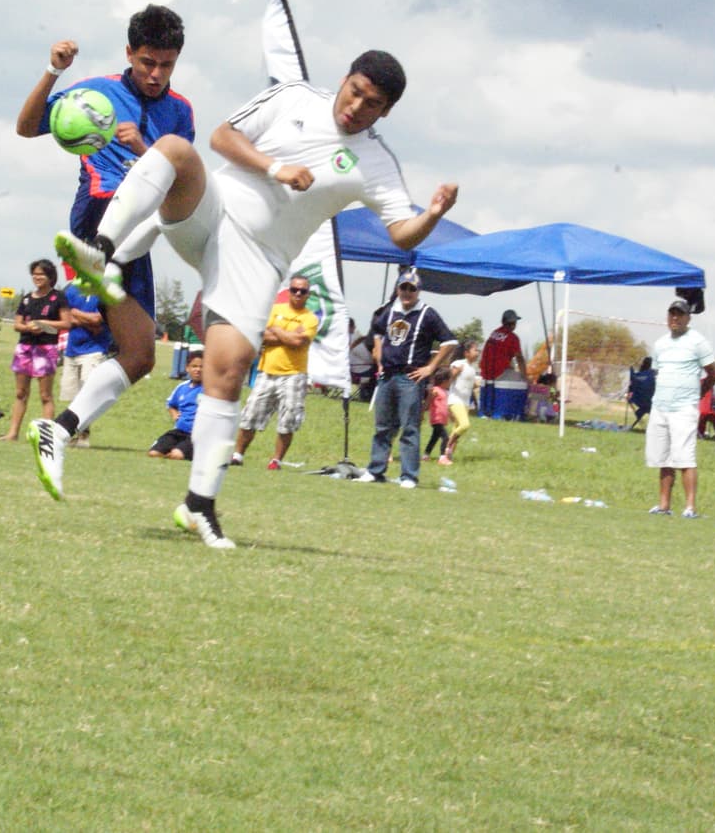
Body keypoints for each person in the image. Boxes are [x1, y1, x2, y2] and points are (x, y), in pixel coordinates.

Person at [31, 48, 459, 549]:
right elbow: (221, 137)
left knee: (228, 372)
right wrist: (276, 167)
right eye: (355, 91)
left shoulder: (377, 163)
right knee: (175, 149)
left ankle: (197, 505)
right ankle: (102, 251)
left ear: (385, 111)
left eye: (372, 103)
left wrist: (430, 214)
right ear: (344, 79)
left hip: (257, 262)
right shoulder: (295, 97)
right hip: (211, 213)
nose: (356, 106)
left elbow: (401, 234)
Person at [16, 5, 193, 458]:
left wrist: (145, 149)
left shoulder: (179, 112)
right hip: (100, 214)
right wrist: (53, 71)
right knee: (137, 343)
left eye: (166, 65)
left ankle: (58, 430)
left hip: (141, 226)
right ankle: (93, 257)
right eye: (147, 62)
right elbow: (26, 127)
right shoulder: (97, 92)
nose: (155, 74)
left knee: (140, 354)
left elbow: (179, 180)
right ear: (130, 53)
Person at [356, 270, 458, 488]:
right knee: (383, 426)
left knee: (410, 427)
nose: (407, 292)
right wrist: (378, 355)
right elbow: (376, 331)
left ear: (418, 291)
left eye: (412, 289)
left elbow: (449, 342)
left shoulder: (427, 313)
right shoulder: (390, 311)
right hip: (387, 376)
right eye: (404, 287)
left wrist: (430, 367)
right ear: (398, 288)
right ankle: (375, 470)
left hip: (410, 377)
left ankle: (409, 476)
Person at [230, 274, 318, 470]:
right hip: (267, 371)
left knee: (288, 419)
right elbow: (261, 335)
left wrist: (276, 330)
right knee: (250, 414)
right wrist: (285, 334)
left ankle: (276, 460)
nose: (297, 294)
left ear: (307, 295)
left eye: (302, 291)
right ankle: (237, 454)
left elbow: (298, 342)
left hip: (294, 374)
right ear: (289, 291)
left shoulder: (310, 318)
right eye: (294, 289)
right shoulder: (275, 310)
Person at [646, 298, 715, 518]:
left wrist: (698, 393)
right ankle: (664, 505)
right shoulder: (660, 344)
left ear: (688, 318)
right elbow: (658, 372)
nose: (675, 318)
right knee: (664, 457)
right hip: (660, 406)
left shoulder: (697, 341)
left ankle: (690, 507)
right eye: (672, 314)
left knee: (685, 457)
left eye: (679, 314)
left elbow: (712, 373)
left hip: (684, 408)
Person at [0, 259, 70, 441]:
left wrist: (44, 324)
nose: (38, 277)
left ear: (50, 276)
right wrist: (27, 327)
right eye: (35, 274)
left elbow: (66, 323)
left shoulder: (58, 297)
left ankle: (46, 437)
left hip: (46, 349)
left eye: (42, 274)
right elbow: (17, 324)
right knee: (20, 393)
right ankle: (13, 433)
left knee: (45, 395)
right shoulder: (26, 299)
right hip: (25, 347)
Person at [57, 280, 110, 447]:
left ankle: (84, 435)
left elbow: (98, 320)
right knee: (72, 396)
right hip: (72, 350)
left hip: (94, 350)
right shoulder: (72, 289)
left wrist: (75, 313)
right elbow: (64, 317)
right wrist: (85, 319)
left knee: (87, 393)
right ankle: (73, 433)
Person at [148, 349, 203, 460]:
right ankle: (172, 449)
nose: (198, 370)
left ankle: (181, 451)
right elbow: (170, 403)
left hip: (196, 436)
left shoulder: (210, 389)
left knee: (177, 455)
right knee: (153, 453)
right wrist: (174, 413)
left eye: (202, 367)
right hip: (178, 431)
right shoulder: (182, 387)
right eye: (194, 366)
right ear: (187, 368)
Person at [479, 309, 526, 417]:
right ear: (513, 323)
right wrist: (525, 377)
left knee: (512, 371)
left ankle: (486, 411)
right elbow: (520, 358)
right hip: (499, 373)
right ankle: (515, 412)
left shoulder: (494, 333)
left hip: (486, 373)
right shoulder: (513, 337)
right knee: (522, 381)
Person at [443, 341, 479, 462]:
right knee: (465, 425)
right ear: (466, 353)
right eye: (475, 350)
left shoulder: (472, 369)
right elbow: (449, 379)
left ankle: (447, 456)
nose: (477, 353)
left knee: (457, 427)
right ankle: (448, 444)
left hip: (465, 403)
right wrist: (456, 371)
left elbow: (469, 385)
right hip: (455, 400)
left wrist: (476, 385)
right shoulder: (458, 364)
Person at [422, 366, 452, 463]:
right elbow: (428, 400)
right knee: (446, 438)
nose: (450, 383)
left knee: (434, 438)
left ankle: (426, 455)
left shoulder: (444, 391)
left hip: (441, 420)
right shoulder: (436, 390)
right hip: (437, 419)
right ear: (444, 381)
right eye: (449, 380)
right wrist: (423, 411)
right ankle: (442, 457)